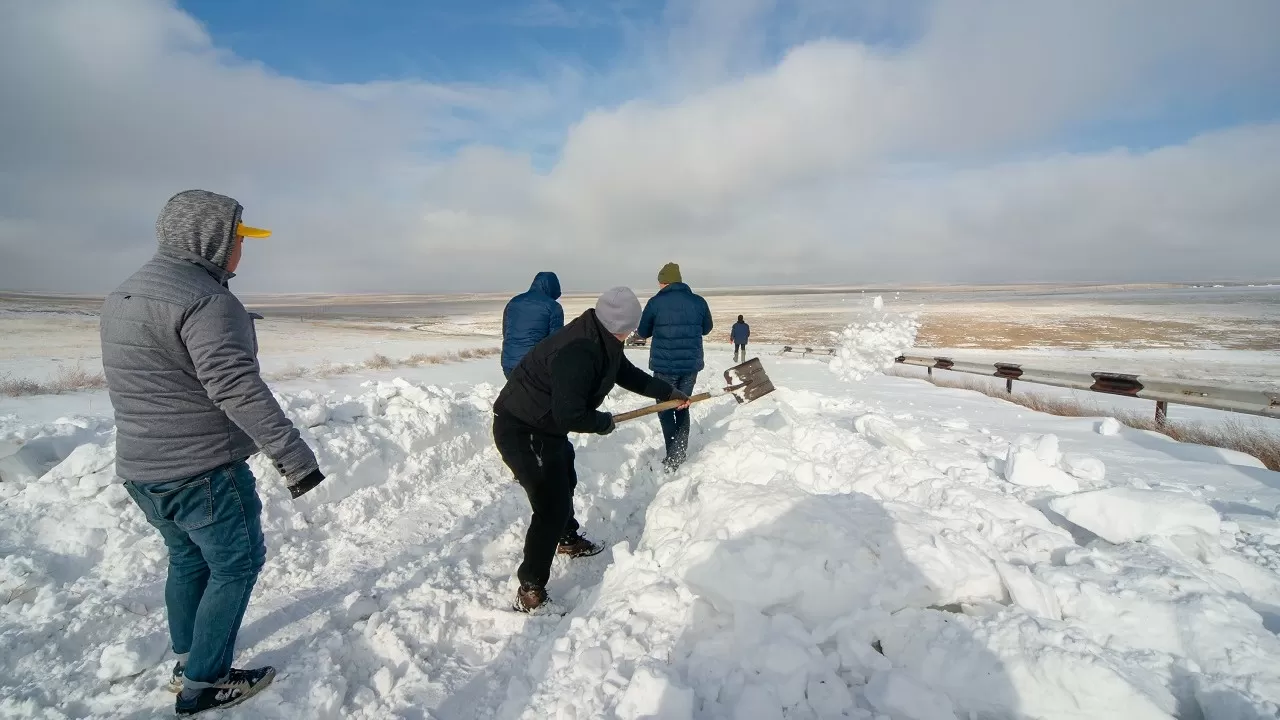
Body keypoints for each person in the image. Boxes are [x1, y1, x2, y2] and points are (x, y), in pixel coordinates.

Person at [100, 190, 326, 716]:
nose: (241, 253)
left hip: (142, 469)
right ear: (212, 239)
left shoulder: (126, 292)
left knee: (186, 558)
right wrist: (293, 457)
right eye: (238, 241)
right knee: (237, 564)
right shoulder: (205, 300)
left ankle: (187, 662)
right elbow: (236, 387)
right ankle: (206, 683)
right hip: (202, 471)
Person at [492, 287, 690, 612]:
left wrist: (667, 392)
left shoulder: (602, 336)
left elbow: (626, 374)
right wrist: (603, 422)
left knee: (564, 477)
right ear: (625, 323)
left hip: (545, 426)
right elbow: (570, 415)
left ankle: (566, 538)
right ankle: (530, 590)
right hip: (523, 428)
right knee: (549, 505)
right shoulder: (580, 351)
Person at [636, 263, 713, 471]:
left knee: (665, 409)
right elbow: (707, 329)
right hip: (690, 366)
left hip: (664, 367)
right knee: (682, 405)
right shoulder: (698, 302)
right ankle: (677, 454)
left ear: (663, 282)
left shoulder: (655, 303)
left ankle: (673, 456)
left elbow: (643, 331)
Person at [501, 271, 564, 378]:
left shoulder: (514, 302)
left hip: (509, 362)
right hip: (534, 365)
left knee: (517, 393)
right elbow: (556, 341)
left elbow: (506, 331)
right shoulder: (553, 306)